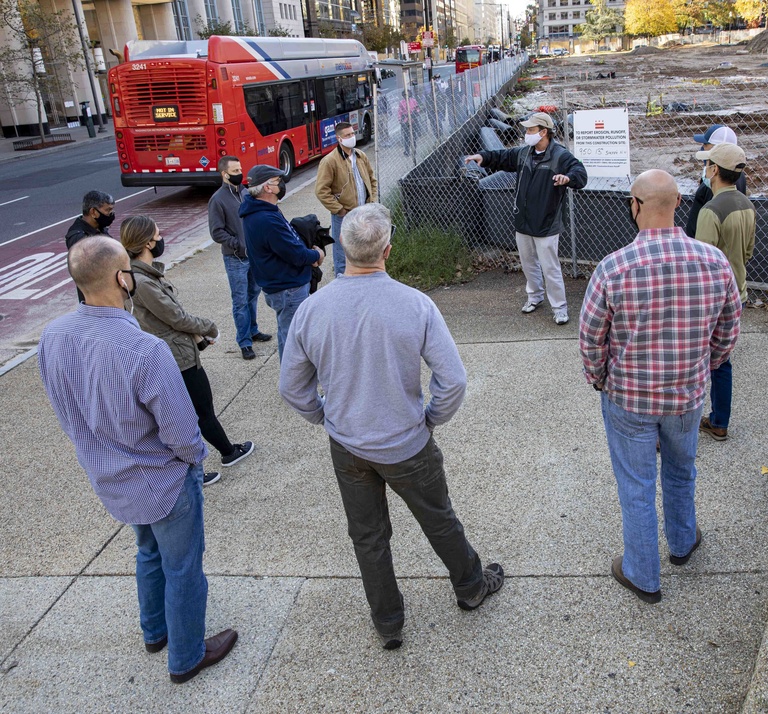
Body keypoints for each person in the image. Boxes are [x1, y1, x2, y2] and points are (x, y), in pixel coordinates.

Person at [278, 203, 504, 650]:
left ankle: (388, 622)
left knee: (368, 537)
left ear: (343, 250)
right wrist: (431, 418)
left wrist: (323, 415)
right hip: (407, 443)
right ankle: (471, 587)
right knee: (439, 520)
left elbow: (292, 388)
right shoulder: (415, 304)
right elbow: (453, 380)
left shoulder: (311, 309)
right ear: (387, 250)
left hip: (348, 445)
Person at [37, 236, 238, 683]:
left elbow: (65, 411)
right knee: (183, 565)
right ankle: (186, 656)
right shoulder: (145, 349)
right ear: (119, 278)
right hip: (162, 481)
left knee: (147, 551)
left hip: (110, 477)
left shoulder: (52, 337)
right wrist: (195, 460)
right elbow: (184, 433)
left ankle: (155, 632)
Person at [579, 169, 742, 604]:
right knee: (681, 468)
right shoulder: (714, 262)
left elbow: (591, 338)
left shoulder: (612, 268)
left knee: (636, 483)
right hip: (686, 397)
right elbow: (728, 330)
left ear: (634, 205)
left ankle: (642, 575)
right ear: (678, 207)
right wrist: (703, 368)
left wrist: (601, 381)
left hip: (629, 399)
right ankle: (683, 543)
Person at [119, 215, 256, 481]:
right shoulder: (143, 282)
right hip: (177, 358)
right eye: (158, 235)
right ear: (147, 242)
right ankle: (214, 460)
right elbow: (175, 317)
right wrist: (208, 327)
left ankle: (223, 453)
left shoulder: (139, 276)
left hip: (175, 351)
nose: (161, 239)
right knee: (197, 413)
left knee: (191, 414)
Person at [464, 112, 588, 325]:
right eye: (527, 130)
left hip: (546, 223)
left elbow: (580, 172)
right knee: (528, 263)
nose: (526, 133)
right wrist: (482, 157)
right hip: (523, 221)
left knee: (550, 267)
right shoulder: (524, 153)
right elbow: (503, 157)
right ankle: (535, 297)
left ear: (543, 132)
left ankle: (560, 308)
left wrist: (567, 178)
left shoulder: (560, 156)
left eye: (530, 130)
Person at [694, 143, 756, 442]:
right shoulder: (747, 204)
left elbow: (701, 265)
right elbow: (747, 252)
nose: (705, 170)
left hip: (711, 300)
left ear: (715, 170)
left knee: (689, 360)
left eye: (707, 165)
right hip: (737, 293)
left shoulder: (710, 210)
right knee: (721, 361)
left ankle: (679, 424)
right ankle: (719, 421)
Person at [239, 164, 325, 360]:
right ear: (267, 187)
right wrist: (316, 255)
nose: (282, 184)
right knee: (294, 341)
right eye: (279, 181)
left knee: (287, 334)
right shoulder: (266, 219)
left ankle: (291, 384)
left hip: (282, 286)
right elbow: (296, 254)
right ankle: (294, 387)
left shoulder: (263, 212)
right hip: (288, 289)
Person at [208, 155, 272, 361]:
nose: (240, 174)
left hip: (254, 255)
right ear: (224, 174)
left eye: (240, 170)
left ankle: (253, 330)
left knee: (253, 294)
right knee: (240, 301)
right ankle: (244, 342)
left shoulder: (245, 193)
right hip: (235, 258)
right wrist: (238, 244)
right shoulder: (217, 200)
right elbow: (216, 232)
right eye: (235, 171)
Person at [314, 123, 377, 278]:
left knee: (363, 249)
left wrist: (372, 201)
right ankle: (342, 283)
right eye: (347, 135)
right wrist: (339, 210)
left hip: (363, 212)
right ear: (339, 138)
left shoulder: (360, 156)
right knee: (342, 254)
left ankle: (361, 279)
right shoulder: (330, 161)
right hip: (344, 216)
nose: (351, 137)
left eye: (352, 133)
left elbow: (372, 180)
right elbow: (321, 190)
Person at [684, 124, 747, 239]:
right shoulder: (738, 175)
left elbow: (709, 228)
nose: (702, 147)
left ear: (717, 148)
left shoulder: (715, 182)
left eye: (705, 144)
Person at [65, 190, 115, 303]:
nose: (111, 214)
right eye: (108, 210)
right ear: (93, 212)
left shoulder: (100, 228)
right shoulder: (78, 238)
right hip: (96, 300)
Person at [398, 85, 420, 156]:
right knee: (406, 137)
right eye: (405, 94)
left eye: (407, 94)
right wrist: (400, 120)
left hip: (413, 120)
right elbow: (399, 112)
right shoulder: (401, 103)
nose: (406, 95)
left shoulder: (413, 100)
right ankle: (407, 151)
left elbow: (417, 108)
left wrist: (416, 113)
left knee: (414, 137)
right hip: (405, 121)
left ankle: (414, 150)